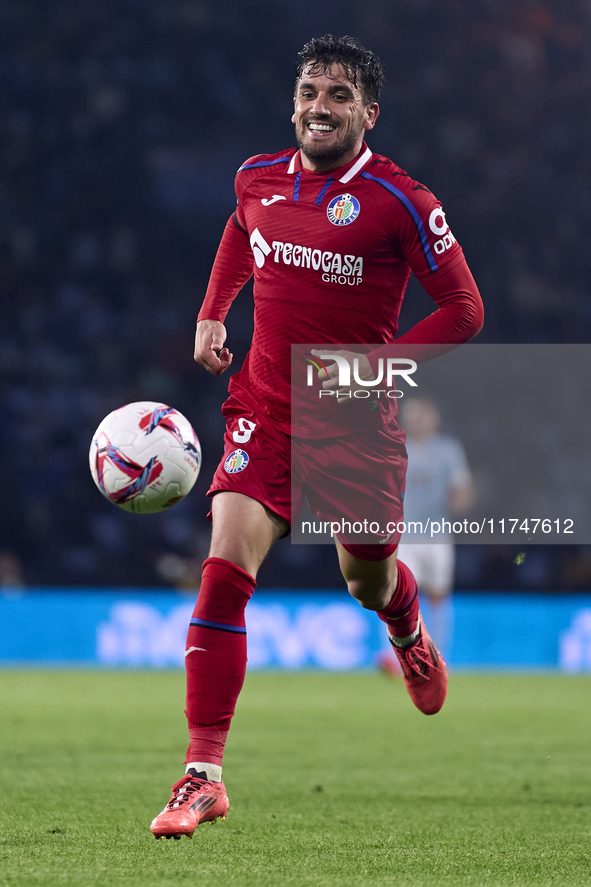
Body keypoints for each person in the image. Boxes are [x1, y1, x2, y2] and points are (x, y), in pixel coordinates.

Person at [150, 34, 484, 839]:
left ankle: (404, 625)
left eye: (337, 95)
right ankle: (203, 773)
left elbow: (463, 308)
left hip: (355, 426)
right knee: (224, 566)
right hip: (262, 407)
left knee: (364, 577)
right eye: (307, 92)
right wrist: (211, 309)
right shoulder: (257, 178)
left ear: (368, 113)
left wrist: (374, 370)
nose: (318, 107)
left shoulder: (403, 200)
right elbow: (241, 230)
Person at [382, 396, 475, 668]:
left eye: (421, 415)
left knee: (438, 595)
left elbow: (462, 486)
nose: (415, 420)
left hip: (437, 535)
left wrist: (461, 498)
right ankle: (395, 657)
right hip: (404, 535)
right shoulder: (396, 448)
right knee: (396, 596)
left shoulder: (448, 449)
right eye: (411, 415)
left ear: (434, 418)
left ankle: (438, 655)